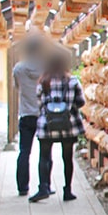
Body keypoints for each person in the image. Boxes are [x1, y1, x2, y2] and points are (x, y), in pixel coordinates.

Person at [29, 53, 85, 203]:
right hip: (68, 125)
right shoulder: (73, 82)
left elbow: (39, 103)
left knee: (44, 156)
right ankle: (67, 190)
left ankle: (43, 187)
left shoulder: (43, 82)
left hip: (47, 125)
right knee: (67, 158)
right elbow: (81, 102)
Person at [12, 35, 45, 196]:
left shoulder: (18, 68)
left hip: (26, 114)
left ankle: (23, 187)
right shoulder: (45, 68)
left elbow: (16, 87)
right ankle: (44, 185)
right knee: (45, 152)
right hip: (42, 114)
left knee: (24, 151)